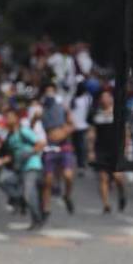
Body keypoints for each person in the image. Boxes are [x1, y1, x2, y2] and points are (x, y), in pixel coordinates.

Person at [0, 108, 46, 230]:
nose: (8, 119)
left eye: (10, 117)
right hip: (20, 169)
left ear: (16, 119)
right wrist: (2, 160)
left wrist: (29, 153)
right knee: (4, 182)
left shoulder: (24, 131)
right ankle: (18, 200)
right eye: (6, 117)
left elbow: (40, 143)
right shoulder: (10, 137)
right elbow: (12, 155)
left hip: (31, 166)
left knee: (29, 194)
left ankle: (37, 220)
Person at [40, 83, 76, 221]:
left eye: (51, 92)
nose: (49, 95)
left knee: (68, 175)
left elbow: (72, 125)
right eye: (47, 92)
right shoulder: (41, 110)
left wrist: (64, 132)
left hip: (63, 146)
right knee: (48, 180)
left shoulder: (63, 108)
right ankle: (46, 208)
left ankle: (67, 195)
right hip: (49, 147)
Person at [88, 90, 127, 214]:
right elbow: (92, 133)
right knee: (103, 178)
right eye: (102, 97)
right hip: (101, 149)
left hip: (115, 149)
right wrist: (91, 150)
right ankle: (106, 204)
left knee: (117, 177)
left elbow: (125, 132)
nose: (104, 99)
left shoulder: (118, 113)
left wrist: (124, 149)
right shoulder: (96, 114)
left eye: (107, 97)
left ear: (111, 99)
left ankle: (121, 194)